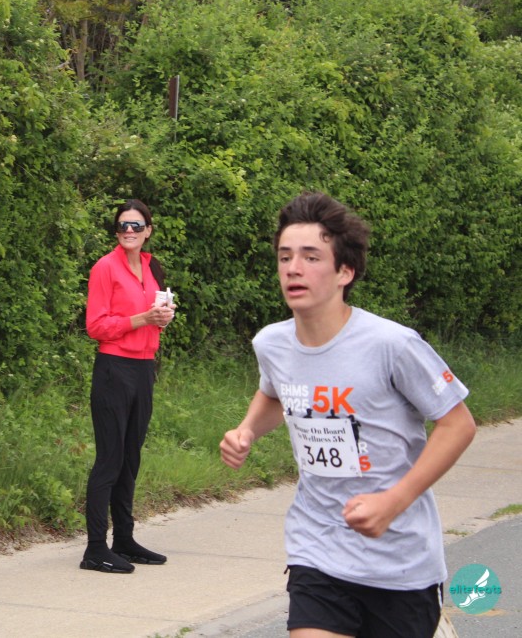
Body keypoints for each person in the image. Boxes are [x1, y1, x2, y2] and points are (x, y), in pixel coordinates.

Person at [220, 191, 476, 637]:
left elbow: (458, 424)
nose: (293, 268)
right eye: (285, 257)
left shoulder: (391, 345)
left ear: (345, 271)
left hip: (400, 563)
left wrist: (393, 501)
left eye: (310, 257)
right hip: (318, 548)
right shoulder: (272, 343)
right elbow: (276, 395)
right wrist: (246, 431)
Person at [81, 199, 175, 574]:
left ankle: (123, 539)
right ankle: (94, 548)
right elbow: (96, 326)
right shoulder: (105, 267)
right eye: (123, 225)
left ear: (148, 230)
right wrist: (141, 318)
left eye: (136, 225)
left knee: (130, 458)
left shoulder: (152, 268)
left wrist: (161, 319)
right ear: (116, 231)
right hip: (113, 369)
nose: (129, 231)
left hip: (143, 368)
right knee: (110, 459)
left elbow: (152, 317)